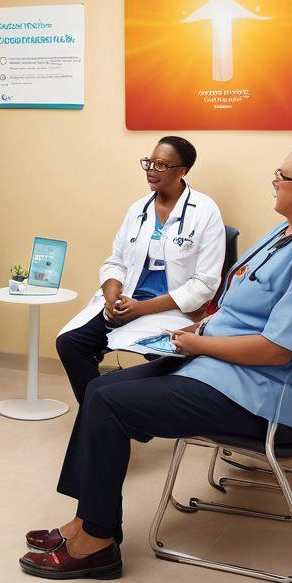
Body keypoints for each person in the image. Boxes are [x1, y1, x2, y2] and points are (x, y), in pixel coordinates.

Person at [21, 140, 292, 580]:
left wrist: (199, 344)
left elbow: (278, 349)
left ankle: (97, 543)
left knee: (107, 404)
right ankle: (85, 522)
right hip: (225, 367)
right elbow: (243, 305)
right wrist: (201, 331)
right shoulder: (291, 230)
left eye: (284, 176)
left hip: (263, 395)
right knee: (100, 389)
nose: (274, 180)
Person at [56, 136, 225, 404]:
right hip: (126, 303)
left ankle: (125, 415)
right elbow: (116, 262)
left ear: (182, 171)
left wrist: (141, 308)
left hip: (172, 309)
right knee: (71, 343)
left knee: (168, 358)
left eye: (161, 165)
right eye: (149, 162)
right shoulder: (138, 209)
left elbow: (204, 284)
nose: (151, 170)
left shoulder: (205, 211)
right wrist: (112, 298)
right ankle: (100, 414)